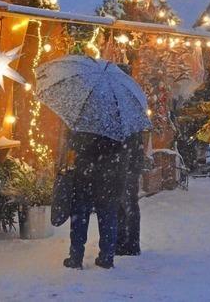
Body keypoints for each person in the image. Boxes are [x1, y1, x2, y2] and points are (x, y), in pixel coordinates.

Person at [63, 131, 123, 270]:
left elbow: (73, 145)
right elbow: (120, 150)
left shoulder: (84, 123)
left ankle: (76, 257)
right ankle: (107, 258)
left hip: (84, 178)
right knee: (108, 218)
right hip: (107, 179)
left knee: (79, 218)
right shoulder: (114, 125)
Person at [115, 64, 145, 256]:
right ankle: (128, 241)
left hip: (125, 159)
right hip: (129, 158)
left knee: (125, 202)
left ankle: (128, 242)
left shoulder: (124, 99)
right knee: (126, 202)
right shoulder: (134, 97)